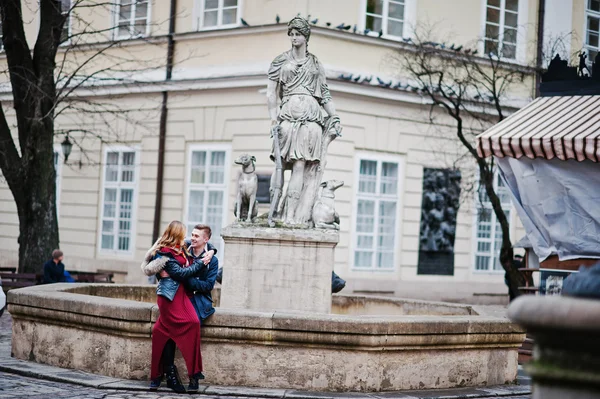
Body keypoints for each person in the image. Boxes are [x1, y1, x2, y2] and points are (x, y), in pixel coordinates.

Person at [266, 17, 341, 225]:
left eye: (297, 34)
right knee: (279, 165)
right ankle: (274, 210)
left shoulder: (316, 63)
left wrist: (333, 115)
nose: (293, 38)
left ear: (306, 37)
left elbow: (324, 93)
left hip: (311, 119)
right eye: (291, 34)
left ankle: (291, 216)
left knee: (299, 166)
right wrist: (273, 119)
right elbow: (271, 93)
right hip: (288, 115)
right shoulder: (280, 61)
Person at [142, 224, 219, 393]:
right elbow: (179, 273)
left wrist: (212, 251)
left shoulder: (208, 258)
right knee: (164, 331)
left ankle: (189, 376)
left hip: (196, 299)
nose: (191, 238)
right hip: (173, 295)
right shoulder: (176, 251)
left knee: (188, 325)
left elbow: (207, 286)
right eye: (190, 234)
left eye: (196, 236)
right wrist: (198, 264)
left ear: (206, 240)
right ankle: (169, 374)